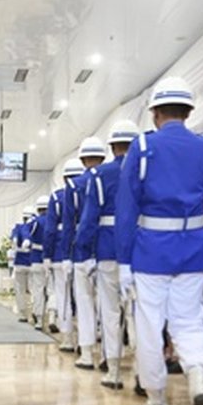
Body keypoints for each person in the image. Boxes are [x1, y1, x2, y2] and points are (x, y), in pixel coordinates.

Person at [116, 77, 203, 405]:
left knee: (149, 324)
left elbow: (127, 209)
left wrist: (124, 262)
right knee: (190, 321)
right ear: (189, 111)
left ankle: (157, 401)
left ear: (155, 112)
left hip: (151, 249)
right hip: (193, 245)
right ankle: (199, 383)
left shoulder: (141, 147)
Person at [75, 120, 139, 387]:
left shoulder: (100, 175)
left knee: (110, 312)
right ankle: (142, 374)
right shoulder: (144, 170)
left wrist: (83, 250)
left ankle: (113, 371)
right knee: (141, 314)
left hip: (108, 248)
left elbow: (89, 220)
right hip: (141, 247)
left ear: (112, 147)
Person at [69, 138, 107, 370]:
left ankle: (86, 353)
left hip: (84, 251)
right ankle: (108, 356)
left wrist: (75, 247)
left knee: (84, 303)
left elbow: (81, 220)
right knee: (109, 307)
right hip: (109, 248)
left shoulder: (74, 186)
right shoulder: (117, 176)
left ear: (83, 159)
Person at [50, 159, 84, 351]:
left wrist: (51, 255)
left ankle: (67, 338)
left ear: (64, 178)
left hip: (63, 251)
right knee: (85, 298)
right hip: (90, 249)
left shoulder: (57, 198)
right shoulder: (90, 187)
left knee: (63, 296)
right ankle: (85, 339)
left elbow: (51, 230)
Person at [29, 195, 50, 330]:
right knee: (53, 290)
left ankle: (39, 318)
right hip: (52, 258)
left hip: (37, 258)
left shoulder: (35, 221)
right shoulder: (54, 220)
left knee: (38, 289)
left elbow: (26, 233)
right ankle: (54, 317)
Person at [12, 205, 35, 322]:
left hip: (20, 261)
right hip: (33, 261)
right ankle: (35, 311)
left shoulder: (18, 227)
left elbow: (14, 241)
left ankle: (22, 313)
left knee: (20, 289)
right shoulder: (37, 225)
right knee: (34, 289)